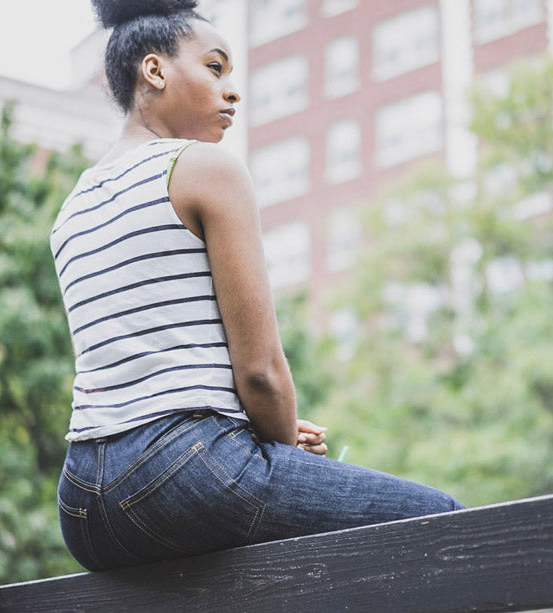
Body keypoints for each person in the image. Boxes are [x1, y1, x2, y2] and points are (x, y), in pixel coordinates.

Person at [52, 0, 462, 572]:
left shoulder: (72, 207)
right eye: (216, 68)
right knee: (448, 528)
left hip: (82, 504)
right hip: (182, 471)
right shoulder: (203, 168)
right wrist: (283, 440)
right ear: (155, 71)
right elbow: (260, 373)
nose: (233, 90)